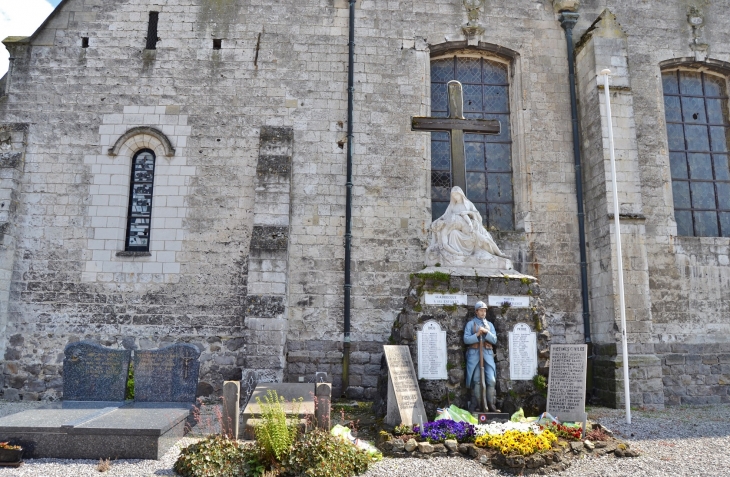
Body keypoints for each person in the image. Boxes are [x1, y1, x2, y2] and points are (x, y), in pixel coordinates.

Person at [463, 300, 500, 412]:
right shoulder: (470, 324)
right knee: (477, 381)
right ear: (476, 311)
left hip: (487, 355)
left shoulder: (490, 325)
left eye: (485, 310)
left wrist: (485, 332)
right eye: (481, 310)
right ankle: (479, 404)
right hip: (475, 355)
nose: (483, 313)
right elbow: (466, 339)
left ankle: (490, 404)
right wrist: (477, 334)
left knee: (491, 380)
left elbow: (494, 339)